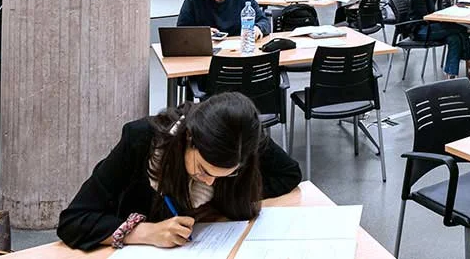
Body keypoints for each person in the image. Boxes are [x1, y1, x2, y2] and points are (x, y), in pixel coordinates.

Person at [56, 93, 303, 251]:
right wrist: (145, 232)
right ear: (189, 139)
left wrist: (221, 205)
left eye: (226, 175)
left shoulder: (240, 138)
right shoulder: (142, 140)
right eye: (203, 170)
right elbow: (74, 221)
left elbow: (289, 174)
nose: (210, 181)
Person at [410, 0, 470, 80]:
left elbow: (439, 11)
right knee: (461, 28)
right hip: (421, 29)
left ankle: (451, 77)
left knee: (454, 38)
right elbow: (424, 16)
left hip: (435, 27)